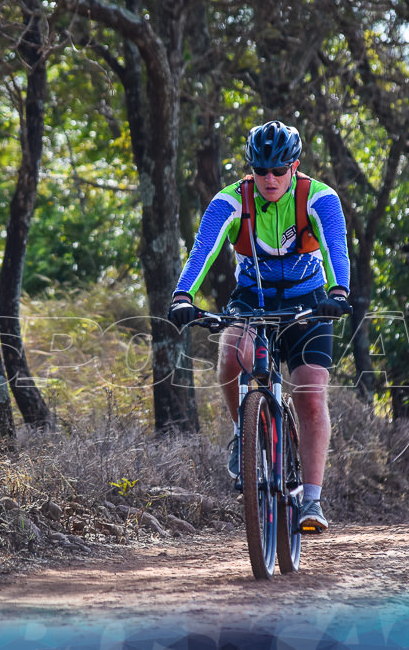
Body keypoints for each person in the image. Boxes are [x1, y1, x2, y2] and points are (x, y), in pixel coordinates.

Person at [167, 120, 351, 533]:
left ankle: (312, 502)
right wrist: (183, 295)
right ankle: (243, 432)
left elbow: (336, 246)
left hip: (310, 299)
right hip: (254, 296)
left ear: (295, 166)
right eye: (260, 170)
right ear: (250, 168)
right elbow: (204, 249)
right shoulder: (230, 201)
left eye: (278, 170)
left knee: (311, 395)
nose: (269, 179)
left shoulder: (319, 198)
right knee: (232, 355)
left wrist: (339, 291)